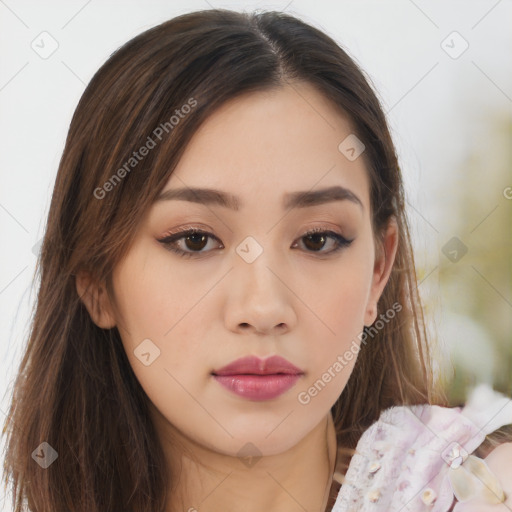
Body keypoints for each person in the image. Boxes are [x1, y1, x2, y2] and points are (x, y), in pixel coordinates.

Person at [2, 8, 511, 512]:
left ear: (379, 270)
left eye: (316, 240)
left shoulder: (486, 491)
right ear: (95, 283)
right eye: (196, 240)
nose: (263, 307)